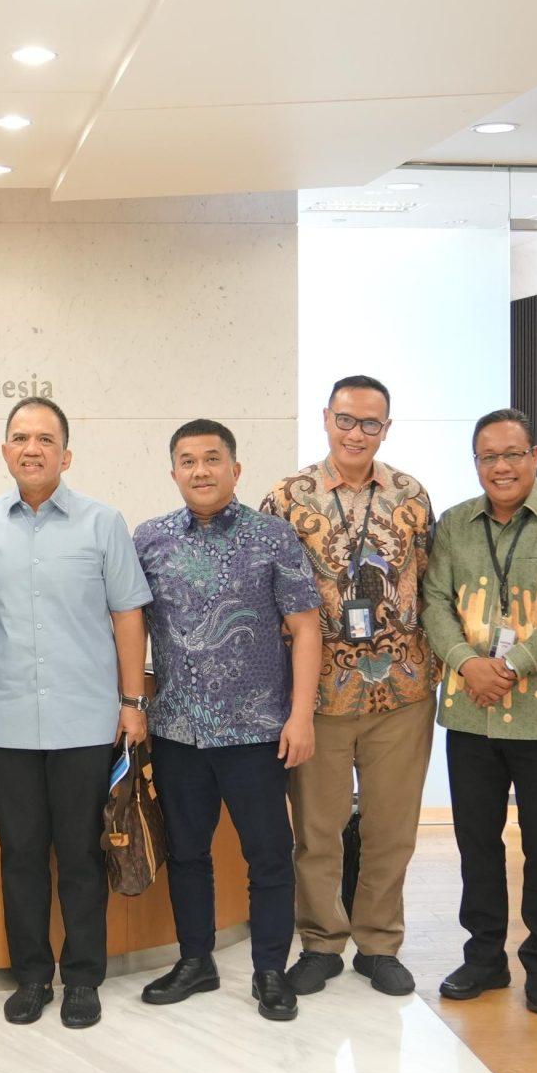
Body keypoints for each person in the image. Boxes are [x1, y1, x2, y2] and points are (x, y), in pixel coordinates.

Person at [0, 396, 151, 1029]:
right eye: (20, 438)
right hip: (6, 719)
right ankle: (33, 976)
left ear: (66, 455)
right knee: (20, 856)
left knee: (81, 855)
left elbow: (128, 615)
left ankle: (83, 978)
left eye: (45, 439)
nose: (31, 448)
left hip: (85, 719)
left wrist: (132, 703)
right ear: (5, 451)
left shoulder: (103, 523)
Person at [133, 419, 320, 1023]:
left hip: (257, 730)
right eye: (188, 461)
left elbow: (306, 628)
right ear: (173, 473)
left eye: (212, 459)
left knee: (269, 855)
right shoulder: (150, 539)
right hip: (178, 730)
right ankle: (196, 961)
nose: (201, 471)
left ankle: (270, 971)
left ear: (235, 469)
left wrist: (300, 716)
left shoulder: (273, 537)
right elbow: (128, 624)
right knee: (187, 854)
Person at [259, 373, 439, 997]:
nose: (356, 433)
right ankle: (321, 942)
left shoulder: (412, 495)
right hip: (321, 695)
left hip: (404, 692)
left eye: (369, 423)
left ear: (385, 428)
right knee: (317, 830)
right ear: (326, 419)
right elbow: (268, 598)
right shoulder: (287, 498)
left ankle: (379, 943)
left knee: (392, 828)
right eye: (345, 420)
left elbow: (432, 583)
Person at [422, 409, 537, 1013]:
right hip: (469, 712)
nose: (501, 466)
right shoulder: (453, 525)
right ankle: (484, 957)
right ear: (476, 463)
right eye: (488, 456)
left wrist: (512, 666)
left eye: (512, 454)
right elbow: (433, 602)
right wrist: (465, 663)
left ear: (535, 456)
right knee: (476, 841)